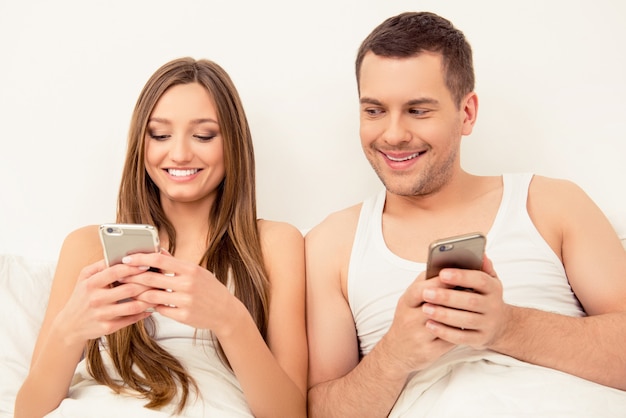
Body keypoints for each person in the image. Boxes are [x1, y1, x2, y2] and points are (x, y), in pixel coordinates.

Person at [305, 11, 626, 417]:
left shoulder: (551, 203)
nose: (393, 134)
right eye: (374, 111)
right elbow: (319, 410)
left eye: (418, 110)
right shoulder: (331, 245)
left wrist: (508, 327)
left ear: (467, 113)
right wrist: (395, 355)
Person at [15, 57, 307, 417]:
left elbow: (289, 413)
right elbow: (27, 412)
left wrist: (229, 319)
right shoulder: (87, 247)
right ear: (141, 143)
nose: (180, 153)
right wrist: (70, 330)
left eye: (203, 135)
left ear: (233, 143)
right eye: (160, 135)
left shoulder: (273, 244)